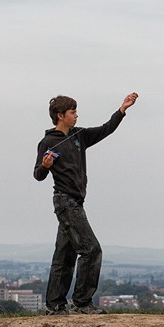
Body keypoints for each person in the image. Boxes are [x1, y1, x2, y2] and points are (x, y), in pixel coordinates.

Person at [34, 92, 138, 315]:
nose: (77, 116)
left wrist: (122, 109)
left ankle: (55, 306)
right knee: (91, 250)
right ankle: (82, 304)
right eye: (73, 112)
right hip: (65, 202)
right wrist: (45, 165)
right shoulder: (48, 142)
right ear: (60, 115)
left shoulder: (79, 136)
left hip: (75, 203)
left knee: (64, 256)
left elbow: (105, 129)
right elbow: (38, 175)